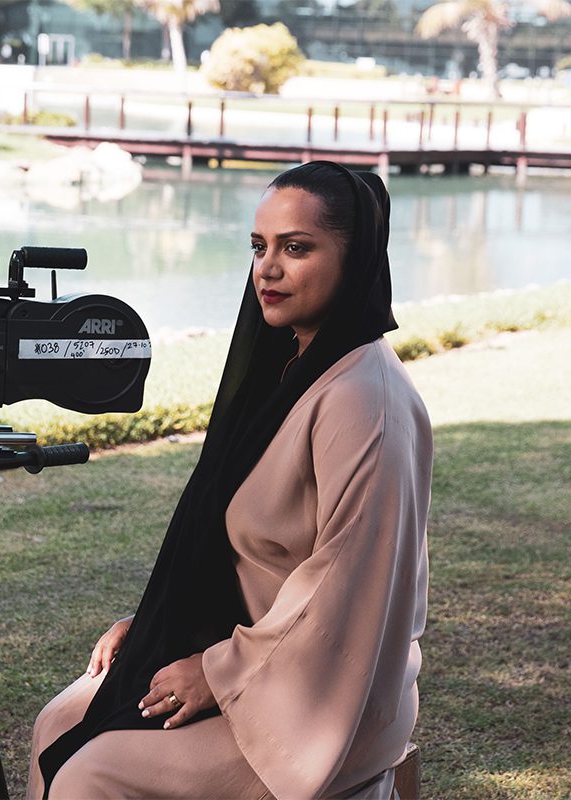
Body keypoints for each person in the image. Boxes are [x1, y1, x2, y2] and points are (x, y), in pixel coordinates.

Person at [26, 161, 432, 799]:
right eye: (258, 246)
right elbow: (233, 549)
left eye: (295, 248)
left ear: (355, 260)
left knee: (92, 773)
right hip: (245, 648)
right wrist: (162, 625)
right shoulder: (289, 372)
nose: (267, 269)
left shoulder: (362, 401)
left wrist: (215, 674)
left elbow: (342, 590)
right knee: (58, 723)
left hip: (314, 696)